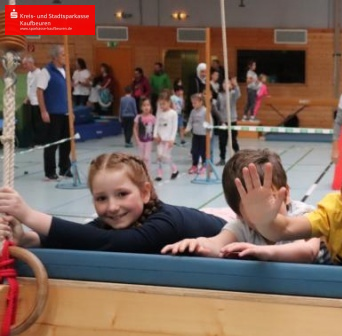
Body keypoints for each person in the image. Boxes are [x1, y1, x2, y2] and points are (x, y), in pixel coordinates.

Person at [0, 152, 227, 253]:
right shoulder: (114, 220)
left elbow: (106, 242)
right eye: (101, 198)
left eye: (122, 194)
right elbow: (80, 236)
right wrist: (27, 238)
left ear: (145, 192)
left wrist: (29, 215)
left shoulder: (164, 224)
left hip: (235, 237)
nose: (112, 207)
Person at [161, 149, 328, 264]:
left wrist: (262, 252)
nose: (265, 209)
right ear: (239, 214)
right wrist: (196, 244)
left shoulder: (304, 214)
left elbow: (307, 251)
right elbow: (216, 244)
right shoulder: (242, 227)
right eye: (253, 205)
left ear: (286, 194)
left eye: (270, 198)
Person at [36, 44, 71, 181]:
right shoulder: (46, 71)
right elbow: (40, 91)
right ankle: (50, 171)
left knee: (67, 143)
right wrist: (43, 111)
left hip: (65, 112)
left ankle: (65, 168)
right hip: (53, 113)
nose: (66, 57)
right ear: (55, 57)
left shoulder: (65, 71)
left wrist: (71, 111)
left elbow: (67, 94)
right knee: (52, 143)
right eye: (63, 54)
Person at [185, 93, 216, 174]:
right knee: (194, 151)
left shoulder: (205, 111)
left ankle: (204, 166)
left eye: (195, 103)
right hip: (196, 135)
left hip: (204, 135)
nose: (193, 105)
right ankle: (194, 165)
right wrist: (187, 129)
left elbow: (210, 123)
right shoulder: (193, 112)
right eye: (192, 103)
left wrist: (210, 135)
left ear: (201, 102)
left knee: (203, 152)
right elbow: (190, 122)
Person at [153, 90, 179, 181]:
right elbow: (156, 124)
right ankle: (159, 174)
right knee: (159, 156)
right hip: (160, 138)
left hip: (168, 139)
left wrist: (172, 139)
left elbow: (174, 127)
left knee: (166, 156)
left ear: (169, 102)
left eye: (163, 104)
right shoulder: (159, 112)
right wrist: (155, 135)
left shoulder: (173, 113)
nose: (162, 106)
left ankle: (175, 169)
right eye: (160, 104)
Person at [216, 77, 241, 166]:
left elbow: (238, 94)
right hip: (223, 121)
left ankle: (238, 157)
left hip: (232, 120)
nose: (225, 85)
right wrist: (220, 118)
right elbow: (218, 107)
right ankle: (222, 158)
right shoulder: (220, 95)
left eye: (227, 83)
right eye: (224, 83)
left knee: (233, 140)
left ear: (230, 85)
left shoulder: (233, 94)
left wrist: (236, 84)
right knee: (222, 141)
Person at [21, 55, 43, 148]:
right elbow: (30, 88)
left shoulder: (39, 73)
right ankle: (34, 141)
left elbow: (40, 89)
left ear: (31, 63)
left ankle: (40, 142)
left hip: (38, 102)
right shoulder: (29, 74)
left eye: (25, 64)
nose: (24, 66)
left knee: (38, 123)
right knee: (32, 123)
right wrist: (27, 97)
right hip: (31, 102)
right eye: (23, 64)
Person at [133, 97, 155, 170]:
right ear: (141, 107)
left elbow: (156, 128)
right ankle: (143, 170)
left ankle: (147, 170)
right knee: (142, 157)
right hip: (141, 140)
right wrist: (136, 138)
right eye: (144, 105)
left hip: (149, 141)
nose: (146, 107)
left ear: (150, 106)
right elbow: (135, 128)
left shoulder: (153, 118)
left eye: (148, 105)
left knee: (146, 157)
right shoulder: (138, 117)